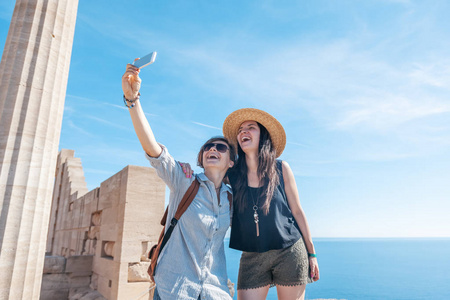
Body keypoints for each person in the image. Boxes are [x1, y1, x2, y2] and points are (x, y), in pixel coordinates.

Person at [122, 62, 235, 300]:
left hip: (215, 290)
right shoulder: (185, 181)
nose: (212, 148)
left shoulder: (231, 198)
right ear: (202, 158)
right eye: (208, 147)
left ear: (231, 162)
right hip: (175, 289)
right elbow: (153, 149)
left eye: (220, 147)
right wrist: (133, 101)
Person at [181, 108, 320, 300]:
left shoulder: (281, 168)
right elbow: (209, 177)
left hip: (290, 251)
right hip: (252, 256)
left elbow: (297, 211)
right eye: (240, 129)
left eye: (250, 127)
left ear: (263, 135)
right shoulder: (232, 174)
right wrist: (187, 170)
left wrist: (312, 254)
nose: (243, 132)